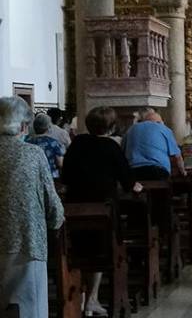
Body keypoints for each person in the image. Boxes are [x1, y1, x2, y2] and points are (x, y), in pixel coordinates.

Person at [62, 106, 142, 317]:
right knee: (100, 251)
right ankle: (92, 299)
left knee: (79, 249)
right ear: (112, 126)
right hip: (102, 208)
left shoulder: (77, 144)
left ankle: (81, 297)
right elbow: (126, 179)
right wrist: (135, 186)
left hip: (75, 205)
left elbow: (66, 175)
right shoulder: (110, 147)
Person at [0, 96, 64, 318]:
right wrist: (57, 221)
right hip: (26, 241)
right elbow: (50, 199)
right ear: (23, 126)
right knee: (28, 308)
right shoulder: (32, 154)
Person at [122, 107, 186, 180]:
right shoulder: (164, 129)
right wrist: (183, 172)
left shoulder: (131, 129)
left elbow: (122, 152)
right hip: (158, 171)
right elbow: (178, 157)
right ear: (160, 122)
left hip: (133, 172)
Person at [25, 113, 65, 178]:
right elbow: (60, 163)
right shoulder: (53, 143)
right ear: (48, 127)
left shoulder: (28, 141)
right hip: (51, 176)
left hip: (33, 176)